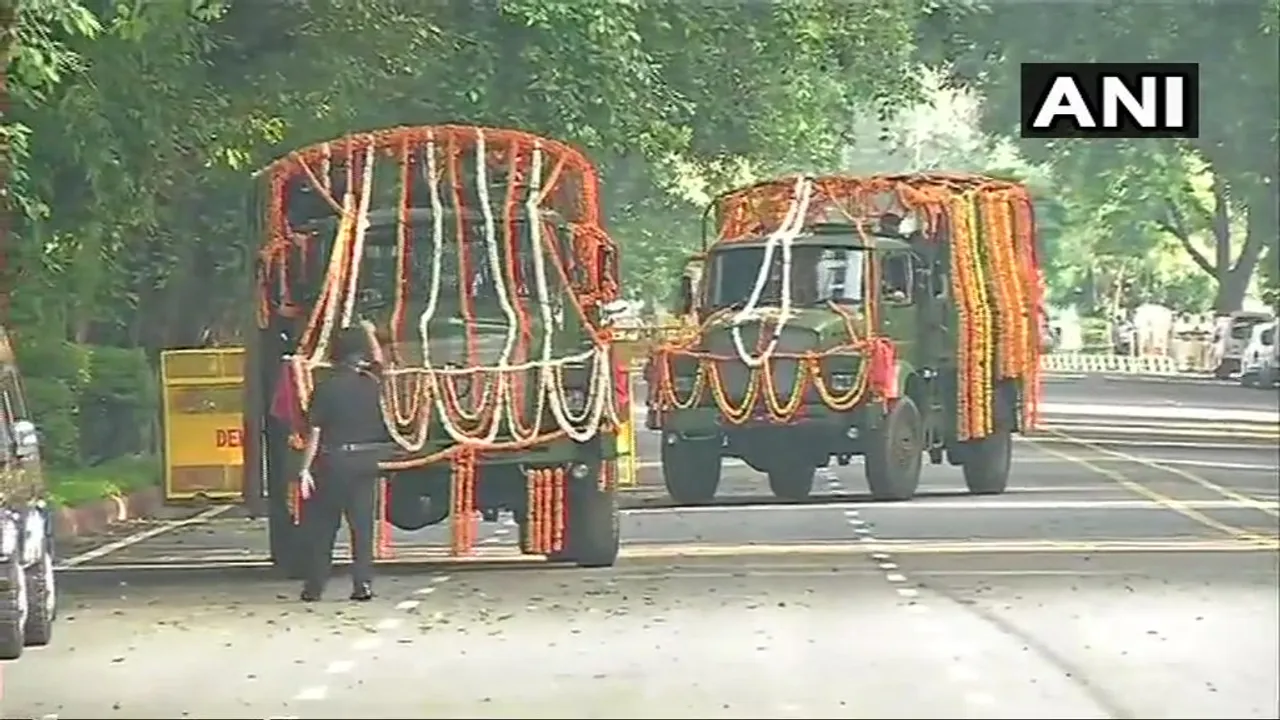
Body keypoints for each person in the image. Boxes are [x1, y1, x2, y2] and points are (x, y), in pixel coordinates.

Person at [298, 319, 390, 602]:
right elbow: (379, 361)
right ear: (359, 355)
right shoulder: (372, 383)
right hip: (365, 462)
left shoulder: (324, 388)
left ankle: (315, 586)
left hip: (333, 463)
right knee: (362, 529)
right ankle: (362, 584)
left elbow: (315, 432)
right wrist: (371, 333)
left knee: (323, 528)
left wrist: (304, 470)